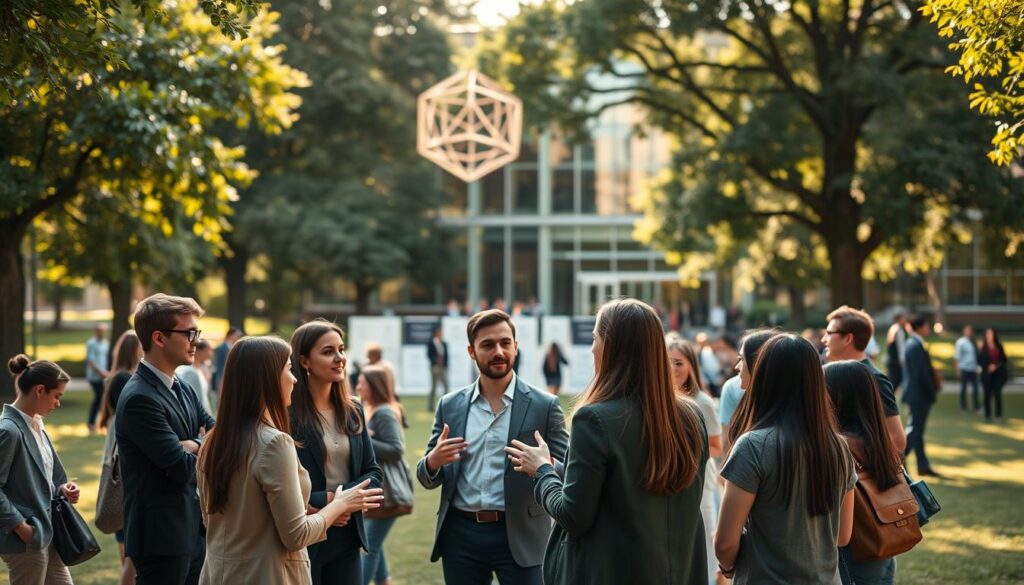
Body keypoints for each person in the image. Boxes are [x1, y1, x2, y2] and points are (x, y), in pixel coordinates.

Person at [505, 299, 708, 585]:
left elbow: (574, 515)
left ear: (612, 346)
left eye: (595, 338)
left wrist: (542, 472)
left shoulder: (594, 419)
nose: (591, 348)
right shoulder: (691, 415)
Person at [197, 336, 383, 585]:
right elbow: (297, 535)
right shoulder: (274, 443)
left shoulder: (212, 441)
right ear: (268, 378)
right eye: (288, 369)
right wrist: (339, 504)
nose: (295, 378)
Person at [416, 309, 569, 585]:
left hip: (523, 533)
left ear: (516, 346)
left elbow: (571, 472)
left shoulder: (545, 406)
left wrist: (545, 465)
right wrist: (433, 462)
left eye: (505, 343)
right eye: (487, 344)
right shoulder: (449, 405)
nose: (498, 351)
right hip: (460, 536)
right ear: (472, 351)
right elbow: (425, 475)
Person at [716, 334, 857, 584]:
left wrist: (728, 567)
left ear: (764, 378)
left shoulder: (753, 446)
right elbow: (843, 535)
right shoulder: (839, 447)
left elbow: (725, 542)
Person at [116, 293, 216, 585]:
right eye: (189, 333)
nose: (196, 340)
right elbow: (182, 468)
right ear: (159, 338)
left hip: (193, 529)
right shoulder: (139, 398)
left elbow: (218, 433)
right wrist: (199, 444)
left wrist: (192, 445)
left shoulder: (182, 386)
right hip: (161, 538)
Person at [289, 320, 383, 585]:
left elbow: (373, 471)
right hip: (305, 534)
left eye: (341, 349)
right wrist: (329, 501)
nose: (339, 358)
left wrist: (345, 501)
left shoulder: (353, 407)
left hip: (347, 535)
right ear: (304, 361)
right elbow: (277, 480)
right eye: (328, 351)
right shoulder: (287, 414)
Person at [824, 360, 906, 585]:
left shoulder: (839, 446)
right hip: (883, 544)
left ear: (835, 397)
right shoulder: (877, 439)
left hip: (855, 551)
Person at [0, 355, 79, 585]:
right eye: (57, 396)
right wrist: (22, 528)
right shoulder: (9, 431)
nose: (58, 403)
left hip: (46, 534)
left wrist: (62, 488)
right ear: (39, 390)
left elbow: (44, 476)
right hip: (26, 540)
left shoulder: (35, 425)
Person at [666, 337, 722, 585]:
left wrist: (683, 458)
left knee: (703, 548)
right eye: (667, 362)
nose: (672, 369)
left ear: (691, 365)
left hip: (700, 482)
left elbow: (716, 445)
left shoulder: (703, 403)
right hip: (667, 483)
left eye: (678, 363)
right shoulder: (659, 400)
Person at [821, 306, 906, 453]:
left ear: (848, 338)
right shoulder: (830, 373)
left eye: (829, 333)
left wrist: (845, 452)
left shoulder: (874, 379)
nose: (823, 339)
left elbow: (897, 440)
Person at [96, 330, 143, 583]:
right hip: (122, 466)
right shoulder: (124, 378)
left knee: (129, 557)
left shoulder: (119, 377)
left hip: (117, 460)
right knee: (130, 558)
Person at [356, 365, 408, 585]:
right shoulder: (372, 409)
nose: (357, 386)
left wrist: (363, 436)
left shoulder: (385, 412)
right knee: (374, 542)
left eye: (362, 382)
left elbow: (396, 450)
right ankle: (383, 581)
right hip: (378, 491)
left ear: (374, 386)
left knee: (370, 544)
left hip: (388, 492)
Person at [718, 330, 776, 459]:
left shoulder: (749, 442)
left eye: (742, 359)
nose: (737, 367)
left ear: (758, 362)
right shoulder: (732, 387)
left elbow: (726, 437)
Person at [901, 315, 940, 477]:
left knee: (918, 430)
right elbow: (921, 374)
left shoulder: (914, 344)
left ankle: (922, 465)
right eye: (927, 325)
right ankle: (898, 459)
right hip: (918, 395)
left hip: (916, 394)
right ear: (920, 327)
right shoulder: (915, 345)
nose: (928, 329)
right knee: (915, 430)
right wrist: (932, 392)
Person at [177, 339, 214, 416]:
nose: (211, 354)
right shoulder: (190, 372)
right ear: (199, 352)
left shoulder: (200, 369)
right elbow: (192, 401)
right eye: (209, 350)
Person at [978, 327, 1008, 422]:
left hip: (998, 374)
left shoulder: (999, 346)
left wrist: (995, 366)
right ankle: (987, 415)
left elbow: (1004, 360)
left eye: (991, 334)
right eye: (987, 334)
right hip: (986, 375)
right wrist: (988, 366)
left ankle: (998, 415)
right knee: (987, 394)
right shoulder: (982, 347)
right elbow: (979, 361)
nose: (989, 336)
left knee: (997, 394)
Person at [86, 322, 111, 432]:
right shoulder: (91, 343)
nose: (102, 333)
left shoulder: (105, 343)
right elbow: (91, 362)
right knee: (100, 397)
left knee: (101, 398)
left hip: (104, 375)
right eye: (100, 331)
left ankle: (100, 422)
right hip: (95, 377)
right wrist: (101, 373)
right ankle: (93, 423)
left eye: (103, 331)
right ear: (96, 331)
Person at [954, 325, 981, 413]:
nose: (969, 332)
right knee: (963, 389)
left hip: (973, 369)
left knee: (976, 389)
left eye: (970, 331)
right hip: (964, 368)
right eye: (967, 330)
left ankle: (976, 407)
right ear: (964, 331)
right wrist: (958, 369)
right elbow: (957, 357)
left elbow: (977, 355)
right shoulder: (960, 342)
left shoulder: (973, 342)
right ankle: (963, 407)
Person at [212, 327, 243, 395]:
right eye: (236, 335)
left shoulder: (229, 347)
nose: (237, 337)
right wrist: (220, 381)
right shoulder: (223, 347)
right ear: (230, 335)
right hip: (221, 378)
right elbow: (220, 365)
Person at [426, 326, 449, 412]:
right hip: (435, 367)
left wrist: (445, 365)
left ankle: (446, 405)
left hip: (443, 367)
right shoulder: (431, 343)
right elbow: (429, 355)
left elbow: (446, 356)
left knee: (446, 385)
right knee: (434, 387)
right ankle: (430, 406)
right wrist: (435, 362)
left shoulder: (444, 343)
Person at [885, 314, 908, 391]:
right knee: (894, 382)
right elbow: (900, 347)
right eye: (903, 318)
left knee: (892, 383)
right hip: (896, 362)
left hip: (892, 361)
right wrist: (902, 361)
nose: (905, 320)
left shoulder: (893, 328)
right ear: (899, 319)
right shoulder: (898, 330)